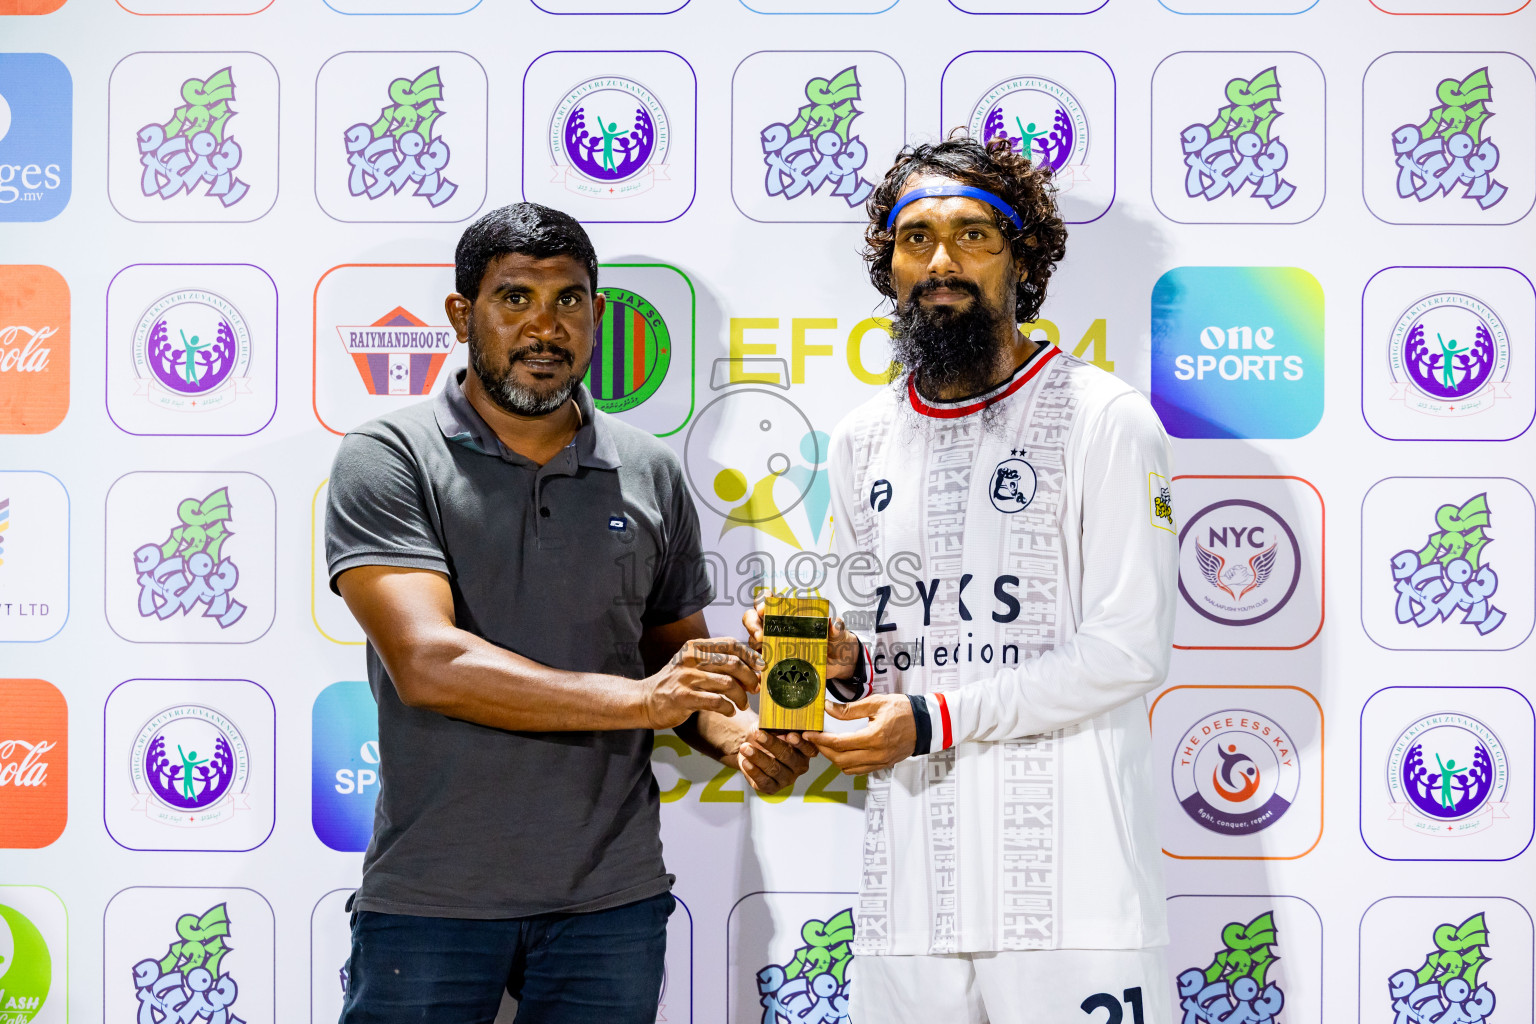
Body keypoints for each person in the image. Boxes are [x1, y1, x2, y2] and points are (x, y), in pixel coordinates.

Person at [326, 202, 816, 1024]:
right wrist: (644, 701)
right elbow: (428, 663)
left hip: (610, 903)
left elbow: (675, 669)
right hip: (433, 896)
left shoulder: (650, 470)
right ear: (461, 313)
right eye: (514, 298)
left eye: (570, 301)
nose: (544, 327)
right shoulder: (388, 456)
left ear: (596, 315)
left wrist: (740, 738)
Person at [745, 134, 1179, 1022]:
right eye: (916, 239)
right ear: (889, 266)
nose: (942, 261)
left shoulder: (1105, 418)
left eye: (973, 234)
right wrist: (838, 663)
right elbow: (881, 652)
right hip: (910, 891)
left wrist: (930, 718)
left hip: (1071, 893)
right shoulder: (863, 437)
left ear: (1024, 259)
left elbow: (1128, 649)